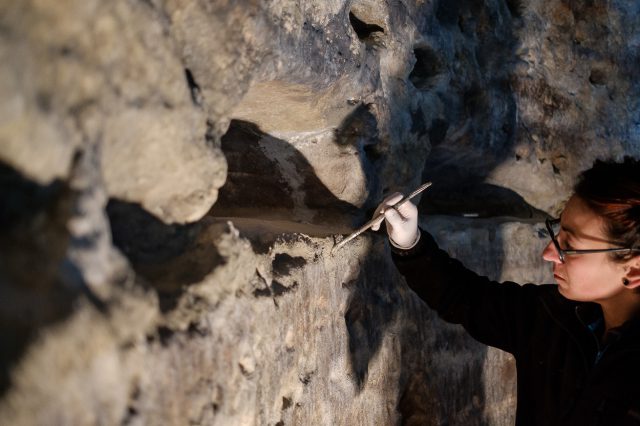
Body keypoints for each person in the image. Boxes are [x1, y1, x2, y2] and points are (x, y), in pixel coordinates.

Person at [372, 157, 640, 425]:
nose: (548, 253)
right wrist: (409, 242)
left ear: (633, 270)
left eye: (569, 245)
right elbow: (464, 297)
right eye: (557, 232)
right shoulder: (557, 316)